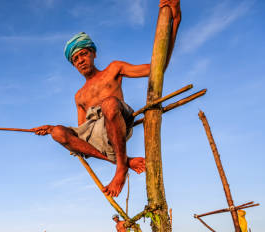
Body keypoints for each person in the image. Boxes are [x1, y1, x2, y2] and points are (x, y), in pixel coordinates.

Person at [32, 0, 181, 197]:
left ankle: (120, 168)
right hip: (100, 137)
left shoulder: (114, 69)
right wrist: (53, 129)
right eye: (75, 59)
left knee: (109, 103)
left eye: (83, 54)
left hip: (117, 119)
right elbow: (84, 137)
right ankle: (124, 162)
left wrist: (176, 19)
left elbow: (157, 67)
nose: (80, 60)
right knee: (58, 132)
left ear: (93, 53)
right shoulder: (79, 96)